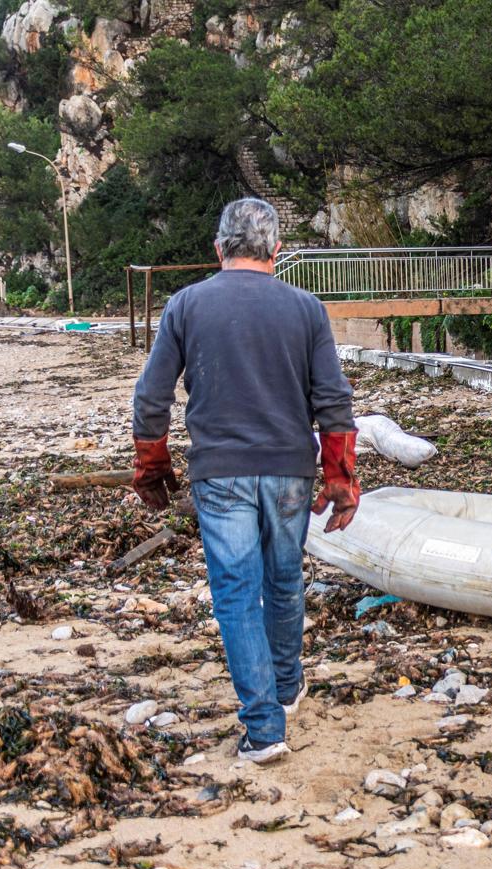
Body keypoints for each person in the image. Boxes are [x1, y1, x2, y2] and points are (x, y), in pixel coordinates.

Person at [130, 198, 359, 765]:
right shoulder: (306, 309)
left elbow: (150, 398)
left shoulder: (186, 305)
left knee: (236, 593)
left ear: (218, 248)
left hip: (221, 472)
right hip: (289, 472)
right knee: (283, 582)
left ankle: (264, 726)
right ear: (277, 249)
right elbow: (333, 400)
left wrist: (152, 465)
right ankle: (285, 688)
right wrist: (341, 479)